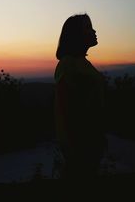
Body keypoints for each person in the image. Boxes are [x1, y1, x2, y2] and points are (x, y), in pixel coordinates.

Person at [54, 14, 107, 182]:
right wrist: (72, 147)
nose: (94, 31)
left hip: (92, 141)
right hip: (80, 145)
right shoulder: (68, 64)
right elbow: (64, 108)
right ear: (76, 35)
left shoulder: (83, 63)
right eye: (88, 27)